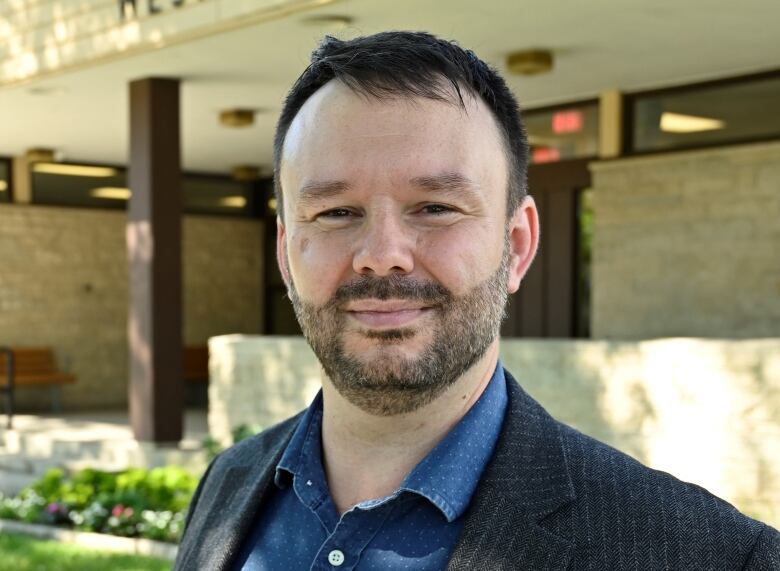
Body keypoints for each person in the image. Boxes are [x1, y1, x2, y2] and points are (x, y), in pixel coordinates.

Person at [174, 32, 779, 570]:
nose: (382, 254)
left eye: (435, 207)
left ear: (515, 245)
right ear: (286, 254)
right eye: (335, 212)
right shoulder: (228, 485)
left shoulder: (712, 554)